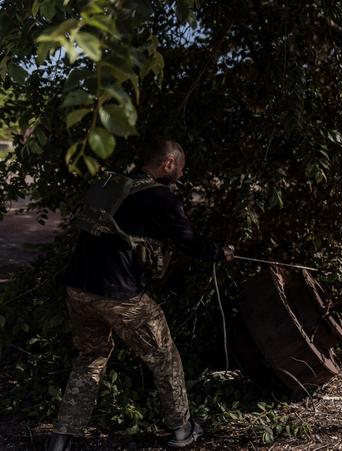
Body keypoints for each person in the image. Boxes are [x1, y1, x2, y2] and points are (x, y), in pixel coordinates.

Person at [47, 139, 234, 450]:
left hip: (78, 289)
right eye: (181, 167)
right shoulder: (161, 197)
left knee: (90, 358)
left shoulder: (112, 185)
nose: (182, 175)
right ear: (168, 164)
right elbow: (188, 241)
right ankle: (182, 429)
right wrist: (220, 253)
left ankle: (60, 440)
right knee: (165, 357)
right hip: (120, 296)